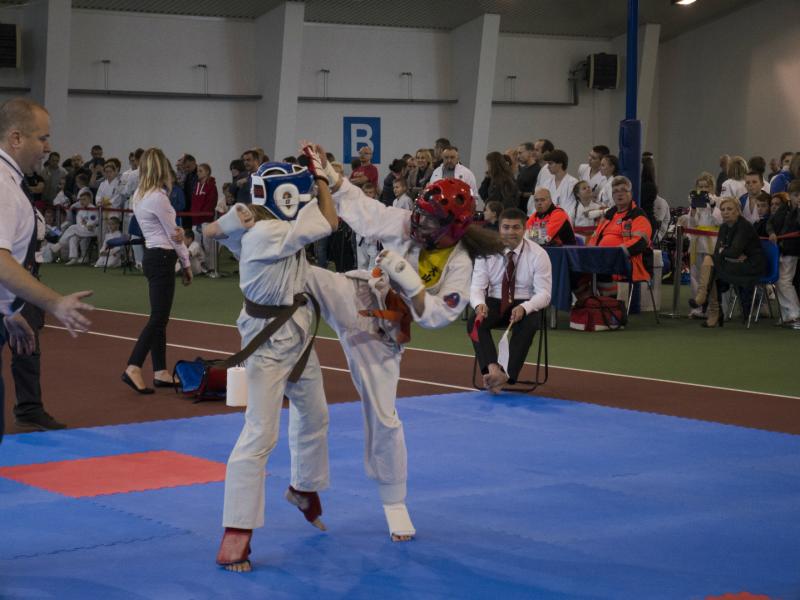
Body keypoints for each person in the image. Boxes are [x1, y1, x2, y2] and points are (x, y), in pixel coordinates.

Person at [305, 151, 504, 541]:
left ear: (452, 227)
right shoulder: (406, 222)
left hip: (383, 336)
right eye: (420, 212)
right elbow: (364, 210)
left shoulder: (459, 264)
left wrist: (411, 285)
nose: (419, 221)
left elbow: (435, 317)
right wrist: (329, 174)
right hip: (357, 294)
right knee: (297, 274)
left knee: (384, 418)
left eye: (430, 219)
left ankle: (394, 503)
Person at [205, 147, 337, 572]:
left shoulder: (253, 223)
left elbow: (211, 230)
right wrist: (321, 178)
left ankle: (303, 487)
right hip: (268, 344)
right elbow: (330, 222)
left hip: (297, 334)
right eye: (300, 194)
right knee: (260, 433)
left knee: (315, 414)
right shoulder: (268, 233)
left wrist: (230, 219)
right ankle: (236, 532)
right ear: (286, 198)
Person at [0, 97, 93, 442]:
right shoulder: (2, 185)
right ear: (16, 138)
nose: (48, 147)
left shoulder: (10, 182)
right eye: (42, 138)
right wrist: (55, 302)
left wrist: (8, 312)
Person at [123, 148, 192, 394]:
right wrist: (186, 263)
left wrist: (177, 235)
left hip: (152, 256)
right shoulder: (159, 198)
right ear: (163, 169)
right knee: (158, 318)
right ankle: (134, 366)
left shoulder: (139, 195)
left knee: (160, 317)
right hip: (162, 257)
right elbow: (175, 235)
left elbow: (169, 231)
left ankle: (161, 371)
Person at [468, 207, 552, 393]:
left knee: (529, 324)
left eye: (516, 227)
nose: (510, 232)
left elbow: (544, 294)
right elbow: (477, 287)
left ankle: (505, 374)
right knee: (475, 322)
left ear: (524, 229)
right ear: (499, 228)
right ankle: (492, 369)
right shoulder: (486, 252)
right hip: (495, 300)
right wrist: (479, 304)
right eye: (506, 227)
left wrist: (525, 307)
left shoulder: (539, 255)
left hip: (525, 302)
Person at [689, 197, 766, 327]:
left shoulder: (744, 226)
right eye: (723, 209)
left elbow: (732, 252)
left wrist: (726, 252)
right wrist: (727, 252)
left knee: (711, 266)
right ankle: (708, 304)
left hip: (752, 265)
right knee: (710, 264)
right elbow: (720, 251)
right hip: (735, 262)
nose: (725, 212)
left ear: (738, 211)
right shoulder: (724, 226)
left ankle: (709, 305)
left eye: (729, 209)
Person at [588, 176, 653, 285]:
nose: (619, 194)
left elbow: (640, 243)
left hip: (627, 264)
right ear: (612, 196)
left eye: (623, 190)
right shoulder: (608, 216)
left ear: (631, 194)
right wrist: (589, 253)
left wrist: (614, 253)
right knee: (576, 272)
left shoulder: (638, 215)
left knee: (597, 273)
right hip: (602, 260)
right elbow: (594, 238)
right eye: (616, 191)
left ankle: (606, 294)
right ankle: (592, 295)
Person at [768, 179, 800, 327]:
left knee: (785, 281)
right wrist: (772, 233)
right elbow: (771, 222)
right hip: (781, 249)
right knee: (778, 281)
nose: (798, 198)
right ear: (789, 195)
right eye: (796, 195)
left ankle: (795, 314)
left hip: (793, 250)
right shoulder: (785, 208)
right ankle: (786, 314)